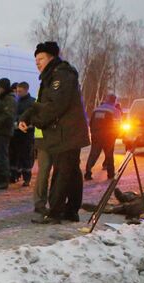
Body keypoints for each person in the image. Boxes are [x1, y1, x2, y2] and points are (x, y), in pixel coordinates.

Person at [19, 41, 90, 224]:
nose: (38, 63)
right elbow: (43, 104)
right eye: (36, 60)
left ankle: (56, 213)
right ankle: (71, 211)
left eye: (41, 59)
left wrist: (35, 121)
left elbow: (55, 106)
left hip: (67, 134)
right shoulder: (51, 76)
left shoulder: (61, 75)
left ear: (51, 58)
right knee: (72, 172)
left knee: (62, 173)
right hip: (66, 134)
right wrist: (28, 114)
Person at [84, 93, 122, 180]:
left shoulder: (96, 110)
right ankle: (111, 174)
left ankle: (88, 172)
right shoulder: (115, 111)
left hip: (96, 135)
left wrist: (93, 133)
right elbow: (118, 125)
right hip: (108, 137)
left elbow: (91, 123)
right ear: (114, 101)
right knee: (109, 155)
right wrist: (115, 135)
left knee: (93, 154)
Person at [11, 82, 36, 186]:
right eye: (17, 91)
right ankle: (15, 175)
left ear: (26, 90)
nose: (18, 93)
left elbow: (32, 116)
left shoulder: (32, 102)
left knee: (26, 156)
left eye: (20, 91)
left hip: (27, 133)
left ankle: (27, 178)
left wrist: (24, 123)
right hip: (16, 132)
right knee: (16, 155)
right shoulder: (16, 101)